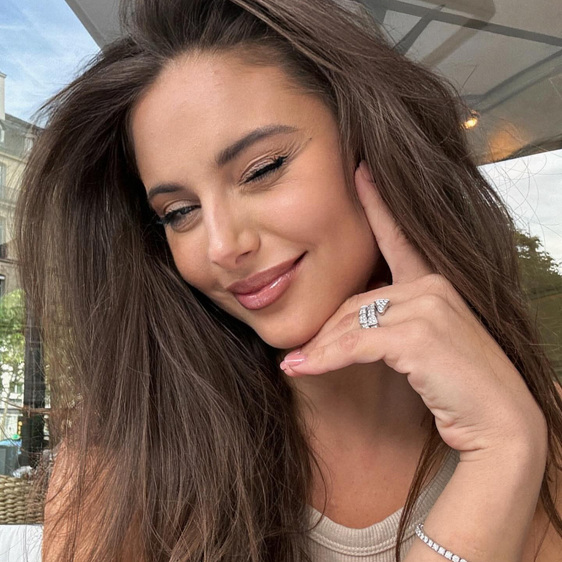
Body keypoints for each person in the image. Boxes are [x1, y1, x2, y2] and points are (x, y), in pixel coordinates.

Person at [14, 0, 562, 560]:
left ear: (369, 141)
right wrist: (501, 458)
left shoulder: (540, 420)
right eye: (179, 213)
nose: (222, 247)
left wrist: (509, 439)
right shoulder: (119, 464)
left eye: (263, 169)